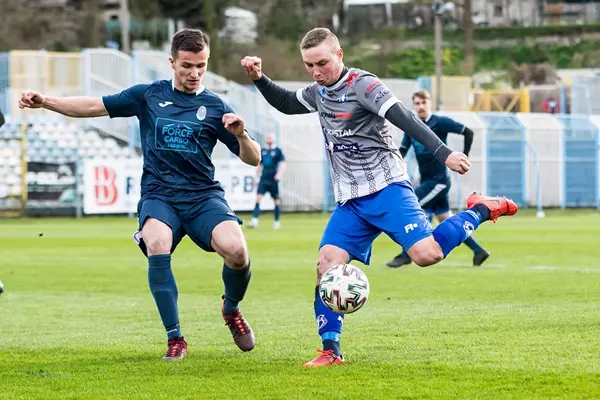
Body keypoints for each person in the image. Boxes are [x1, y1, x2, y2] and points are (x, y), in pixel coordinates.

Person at [241, 27, 517, 367]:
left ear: (339, 55)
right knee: (327, 266)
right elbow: (285, 103)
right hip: (351, 201)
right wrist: (259, 78)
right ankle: (331, 351)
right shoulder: (318, 92)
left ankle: (481, 209)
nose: (315, 72)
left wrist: (444, 153)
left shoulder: (364, 84)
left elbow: (406, 119)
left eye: (322, 63)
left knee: (426, 254)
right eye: (309, 65)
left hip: (387, 188)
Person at [18, 28, 260, 361]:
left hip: (202, 196)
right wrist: (46, 101)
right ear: (172, 62)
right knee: (157, 245)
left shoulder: (216, 106)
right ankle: (175, 338)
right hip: (160, 195)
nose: (195, 73)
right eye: (187, 65)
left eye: (201, 66)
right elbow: (93, 105)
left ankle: (230, 309)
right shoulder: (148, 95)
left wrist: (242, 135)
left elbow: (253, 159)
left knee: (238, 252)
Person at [386, 90, 490, 268]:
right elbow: (403, 151)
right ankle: (478, 251)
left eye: (423, 103)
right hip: (427, 181)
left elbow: (468, 132)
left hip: (438, 182)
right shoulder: (411, 126)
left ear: (429, 104)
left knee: (411, 207)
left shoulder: (439, 122)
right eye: (417, 104)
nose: (420, 107)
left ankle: (405, 255)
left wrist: (465, 155)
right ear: (413, 106)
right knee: (445, 218)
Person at [247, 132, 286, 229]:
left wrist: (279, 174)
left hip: (273, 180)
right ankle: (254, 220)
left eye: (270, 138)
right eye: (267, 138)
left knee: (276, 201)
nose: (269, 139)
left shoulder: (278, 151)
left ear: (274, 139)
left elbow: (283, 164)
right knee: (258, 198)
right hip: (264, 179)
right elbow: (259, 165)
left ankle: (276, 222)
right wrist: (256, 177)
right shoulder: (263, 151)